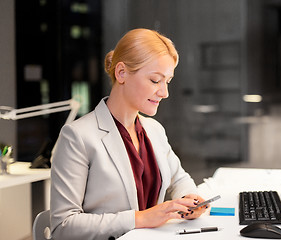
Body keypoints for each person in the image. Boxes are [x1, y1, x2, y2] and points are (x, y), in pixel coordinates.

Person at [50, 28, 207, 240]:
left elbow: (179, 179)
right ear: (122, 73)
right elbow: (63, 226)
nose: (164, 92)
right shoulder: (77, 136)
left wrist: (191, 200)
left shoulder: (154, 130)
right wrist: (140, 218)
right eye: (155, 80)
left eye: (167, 81)